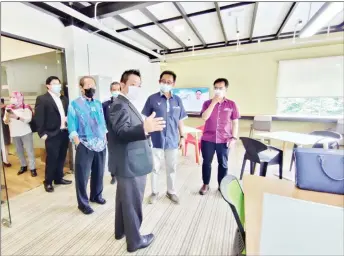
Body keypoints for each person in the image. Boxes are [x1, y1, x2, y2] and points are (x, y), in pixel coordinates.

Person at [107, 69, 165, 253]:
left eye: (138, 85)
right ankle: (135, 241)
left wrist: (144, 127)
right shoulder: (119, 105)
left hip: (128, 161)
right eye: (132, 84)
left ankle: (121, 231)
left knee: (124, 200)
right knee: (133, 203)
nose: (136, 88)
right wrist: (144, 129)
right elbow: (122, 132)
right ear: (122, 85)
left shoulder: (127, 103)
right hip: (130, 163)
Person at [142, 70, 187, 205]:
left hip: (172, 140)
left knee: (171, 167)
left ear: (173, 84)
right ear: (159, 82)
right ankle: (154, 192)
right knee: (154, 168)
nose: (166, 84)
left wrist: (183, 137)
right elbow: (146, 120)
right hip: (156, 140)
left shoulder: (177, 100)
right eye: (163, 81)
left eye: (169, 82)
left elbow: (180, 121)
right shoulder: (152, 99)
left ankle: (171, 191)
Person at [68, 76, 107, 215]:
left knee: (99, 172)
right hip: (85, 144)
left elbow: (102, 122)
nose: (91, 87)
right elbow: (71, 125)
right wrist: (78, 142)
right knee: (83, 176)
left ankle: (96, 196)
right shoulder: (75, 104)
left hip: (101, 143)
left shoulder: (98, 103)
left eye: (93, 84)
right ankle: (83, 204)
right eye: (88, 84)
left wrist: (105, 136)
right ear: (81, 88)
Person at [199, 78, 240, 195]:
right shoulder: (207, 103)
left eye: (220, 88)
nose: (218, 90)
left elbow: (235, 122)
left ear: (225, 89)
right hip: (208, 139)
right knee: (207, 162)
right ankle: (205, 184)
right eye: (216, 88)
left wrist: (234, 137)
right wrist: (213, 102)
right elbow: (204, 117)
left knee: (223, 164)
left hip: (224, 139)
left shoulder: (232, 104)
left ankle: (221, 185)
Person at [35, 76, 72, 193]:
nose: (58, 86)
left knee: (62, 157)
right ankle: (48, 181)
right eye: (55, 83)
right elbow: (39, 117)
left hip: (64, 132)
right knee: (52, 158)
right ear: (48, 85)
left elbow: (68, 113)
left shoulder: (64, 98)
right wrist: (42, 133)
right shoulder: (42, 99)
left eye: (59, 83)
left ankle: (58, 178)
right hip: (52, 134)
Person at [3, 92, 37, 176]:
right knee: (19, 151)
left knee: (29, 151)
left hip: (25, 132)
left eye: (14, 97)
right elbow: (5, 121)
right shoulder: (8, 107)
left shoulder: (26, 106)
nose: (12, 99)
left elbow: (28, 119)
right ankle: (23, 166)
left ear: (19, 97)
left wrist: (16, 117)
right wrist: (7, 116)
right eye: (11, 97)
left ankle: (32, 168)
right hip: (14, 133)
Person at [102, 81, 121, 185]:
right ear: (110, 91)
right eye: (114, 90)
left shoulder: (125, 104)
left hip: (123, 134)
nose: (116, 91)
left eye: (118, 89)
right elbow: (102, 120)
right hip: (111, 135)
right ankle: (113, 175)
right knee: (113, 155)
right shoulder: (105, 105)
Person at [0, 98, 11, 167]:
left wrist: (5, 107)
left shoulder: (5, 108)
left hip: (4, 128)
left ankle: (5, 160)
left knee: (5, 145)